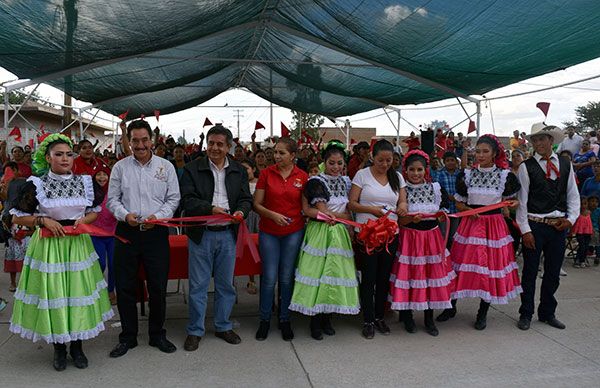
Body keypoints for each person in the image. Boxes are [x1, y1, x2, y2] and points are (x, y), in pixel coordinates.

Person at [9, 133, 111, 371]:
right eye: (59, 154)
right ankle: (59, 349)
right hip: (49, 246)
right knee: (54, 294)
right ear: (48, 157)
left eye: (68, 154)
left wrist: (84, 220)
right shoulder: (36, 184)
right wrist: (43, 221)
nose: (65, 159)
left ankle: (77, 347)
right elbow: (14, 215)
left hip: (77, 245)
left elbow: (95, 211)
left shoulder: (85, 182)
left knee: (76, 293)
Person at [107, 119, 181, 357]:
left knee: (157, 287)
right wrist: (124, 215)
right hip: (126, 233)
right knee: (125, 287)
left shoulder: (166, 167)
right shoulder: (120, 168)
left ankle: (157, 334)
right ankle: (128, 337)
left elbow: (173, 199)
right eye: (135, 140)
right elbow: (112, 200)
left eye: (144, 139)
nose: (140, 145)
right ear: (128, 141)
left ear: (152, 140)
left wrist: (157, 217)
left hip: (156, 232)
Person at [437, 134, 521, 330]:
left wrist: (513, 203)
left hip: (493, 227)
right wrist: (466, 210)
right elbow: (458, 202)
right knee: (459, 266)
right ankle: (451, 307)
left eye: (485, 151)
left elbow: (513, 200)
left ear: (494, 154)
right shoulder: (466, 175)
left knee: (489, 268)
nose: (480, 155)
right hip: (469, 225)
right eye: (478, 151)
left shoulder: (504, 176)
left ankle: (482, 312)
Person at [179, 125, 251, 351]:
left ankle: (223, 326)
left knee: (225, 285)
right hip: (202, 234)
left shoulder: (238, 170)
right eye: (211, 143)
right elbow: (187, 201)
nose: (214, 148)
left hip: (228, 234)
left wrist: (241, 212)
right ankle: (195, 330)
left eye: (220, 144)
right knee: (199, 285)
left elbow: (245, 199)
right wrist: (210, 209)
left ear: (229, 147)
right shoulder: (192, 168)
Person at [289, 141, 359, 340]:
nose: (336, 167)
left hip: (340, 232)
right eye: (332, 163)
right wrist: (336, 217)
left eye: (339, 163)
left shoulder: (346, 181)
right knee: (318, 273)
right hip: (321, 231)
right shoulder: (316, 182)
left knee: (335, 273)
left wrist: (347, 224)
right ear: (324, 162)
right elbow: (319, 210)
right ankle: (315, 321)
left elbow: (347, 211)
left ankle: (328, 316)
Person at [516, 123, 579, 331]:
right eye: (535, 140)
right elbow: (522, 201)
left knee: (552, 272)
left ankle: (547, 312)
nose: (538, 143)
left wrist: (570, 219)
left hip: (558, 226)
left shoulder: (565, 164)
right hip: (535, 224)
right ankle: (526, 313)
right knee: (530, 272)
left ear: (551, 141)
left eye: (542, 139)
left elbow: (573, 195)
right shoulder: (526, 167)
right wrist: (525, 230)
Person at [390, 150, 455, 337]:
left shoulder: (435, 188)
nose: (416, 174)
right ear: (406, 170)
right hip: (410, 239)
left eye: (419, 169)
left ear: (426, 170)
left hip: (432, 240)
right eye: (412, 170)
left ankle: (429, 318)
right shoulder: (402, 191)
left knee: (430, 278)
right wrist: (412, 220)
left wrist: (441, 217)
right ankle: (407, 316)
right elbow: (399, 221)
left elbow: (443, 214)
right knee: (410, 277)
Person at [348, 139, 407, 339]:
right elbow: (352, 204)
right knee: (369, 277)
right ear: (373, 156)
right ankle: (368, 319)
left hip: (390, 234)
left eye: (388, 160)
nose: (384, 164)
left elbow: (403, 200)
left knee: (383, 277)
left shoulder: (397, 177)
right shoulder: (362, 175)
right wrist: (371, 210)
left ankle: (380, 316)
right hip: (368, 234)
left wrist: (403, 207)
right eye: (381, 160)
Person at [254, 137, 308, 341]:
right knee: (268, 278)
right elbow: (256, 204)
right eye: (275, 152)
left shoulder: (302, 176)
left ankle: (285, 319)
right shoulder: (266, 174)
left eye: (282, 153)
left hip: (293, 231)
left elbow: (305, 207)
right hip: (269, 231)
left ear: (293, 155)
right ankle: (265, 320)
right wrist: (273, 215)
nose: (277, 156)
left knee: (286, 278)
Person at [1, 162, 30, 292]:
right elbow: (4, 198)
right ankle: (14, 283)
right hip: (9, 221)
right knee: (11, 253)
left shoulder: (25, 182)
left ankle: (25, 282)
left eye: (10, 170)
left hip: (24, 220)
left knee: (26, 253)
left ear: (16, 169)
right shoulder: (4, 183)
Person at [91, 167, 117, 305]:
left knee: (113, 264)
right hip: (95, 234)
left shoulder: (115, 191)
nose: (102, 177)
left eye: (105, 174)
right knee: (100, 263)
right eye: (99, 174)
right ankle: (98, 289)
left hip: (113, 234)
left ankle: (111, 291)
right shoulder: (90, 192)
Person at [432, 152, 461, 248]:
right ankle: (442, 254)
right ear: (444, 162)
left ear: (456, 162)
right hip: (444, 209)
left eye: (452, 160)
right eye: (447, 161)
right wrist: (447, 196)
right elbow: (436, 190)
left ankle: (452, 255)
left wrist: (457, 197)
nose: (450, 162)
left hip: (456, 209)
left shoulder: (459, 174)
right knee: (443, 233)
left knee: (454, 235)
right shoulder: (439, 174)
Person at [240, 158, 260, 294]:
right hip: (246, 218)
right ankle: (251, 279)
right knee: (249, 248)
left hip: (260, 216)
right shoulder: (239, 185)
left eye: (246, 168)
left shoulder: (260, 183)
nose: (244, 172)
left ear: (253, 169)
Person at [571, 196, 592, 268]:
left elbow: (589, 224)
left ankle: (582, 260)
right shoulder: (577, 214)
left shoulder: (589, 213)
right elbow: (575, 224)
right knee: (582, 246)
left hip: (588, 232)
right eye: (581, 204)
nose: (583, 206)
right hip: (580, 233)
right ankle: (577, 260)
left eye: (585, 204)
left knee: (586, 247)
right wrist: (572, 232)